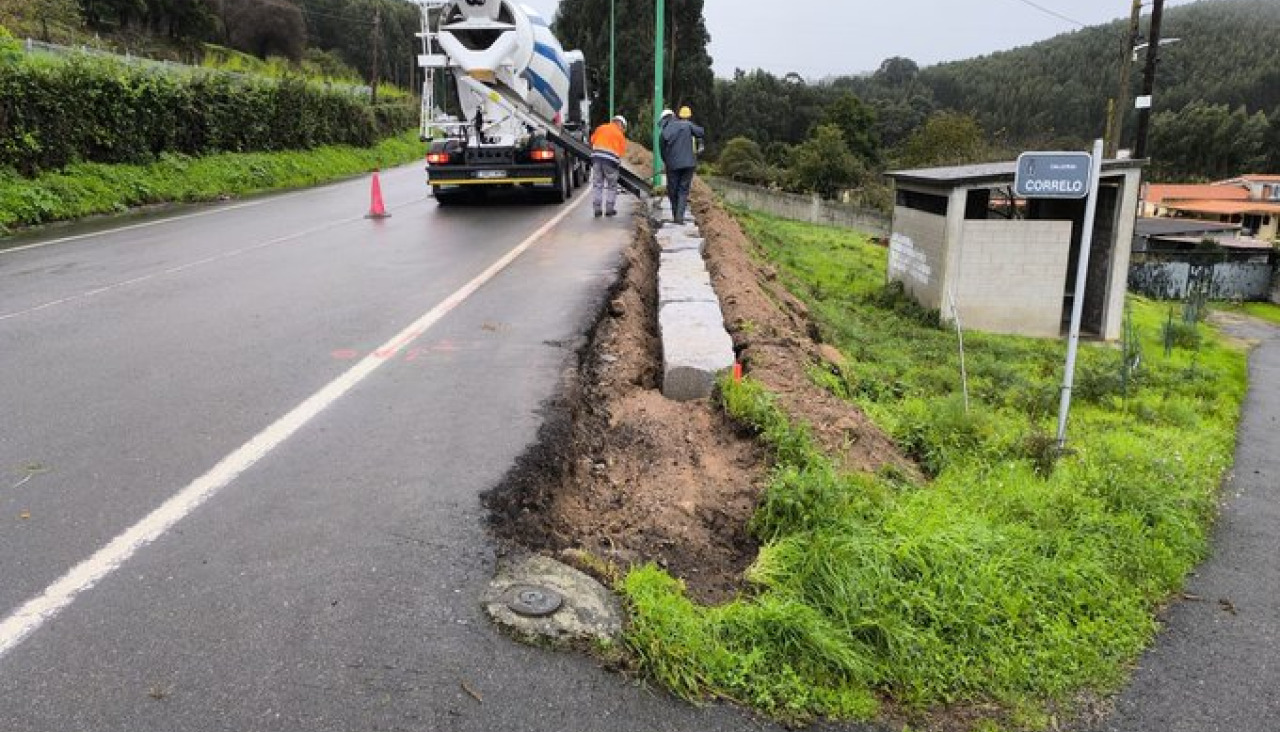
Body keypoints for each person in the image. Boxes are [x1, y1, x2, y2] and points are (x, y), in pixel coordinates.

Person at [659, 105, 705, 225]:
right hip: (689, 164)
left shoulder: (664, 133)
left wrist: (667, 163)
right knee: (683, 190)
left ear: (663, 120)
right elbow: (701, 132)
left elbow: (662, 152)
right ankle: (679, 217)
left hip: (672, 165)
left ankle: (676, 215)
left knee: (672, 190)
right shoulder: (686, 124)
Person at [589, 115, 628, 217]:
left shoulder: (601, 128)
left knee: (597, 184)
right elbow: (620, 153)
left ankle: (597, 209)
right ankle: (609, 209)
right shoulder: (620, 135)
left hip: (596, 159)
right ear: (621, 125)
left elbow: (592, 140)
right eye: (623, 128)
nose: (623, 130)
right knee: (612, 185)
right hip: (610, 162)